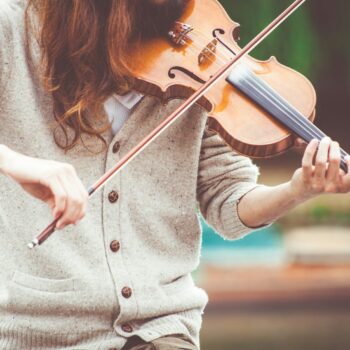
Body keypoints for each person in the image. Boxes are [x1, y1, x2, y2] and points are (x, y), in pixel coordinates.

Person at [0, 0, 349, 349]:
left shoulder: (200, 59)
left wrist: (298, 189)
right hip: (39, 329)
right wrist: (19, 164)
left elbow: (229, 199)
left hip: (161, 328)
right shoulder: (13, 29)